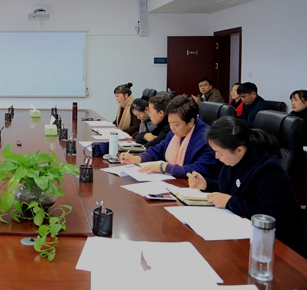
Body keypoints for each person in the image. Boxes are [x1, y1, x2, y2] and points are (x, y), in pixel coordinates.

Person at [188, 117, 307, 258]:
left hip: (283, 248)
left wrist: (230, 202)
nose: (216, 156)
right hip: (245, 233)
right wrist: (206, 184)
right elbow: (233, 188)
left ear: (239, 150)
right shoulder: (235, 159)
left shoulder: (269, 171)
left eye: (219, 152)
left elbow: (271, 219)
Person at [122, 95, 221, 179]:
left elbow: (200, 169)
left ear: (191, 122)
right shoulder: (176, 131)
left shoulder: (206, 138)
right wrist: (138, 158)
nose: (172, 128)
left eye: (176, 124)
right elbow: (160, 148)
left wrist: (165, 167)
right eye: (170, 123)